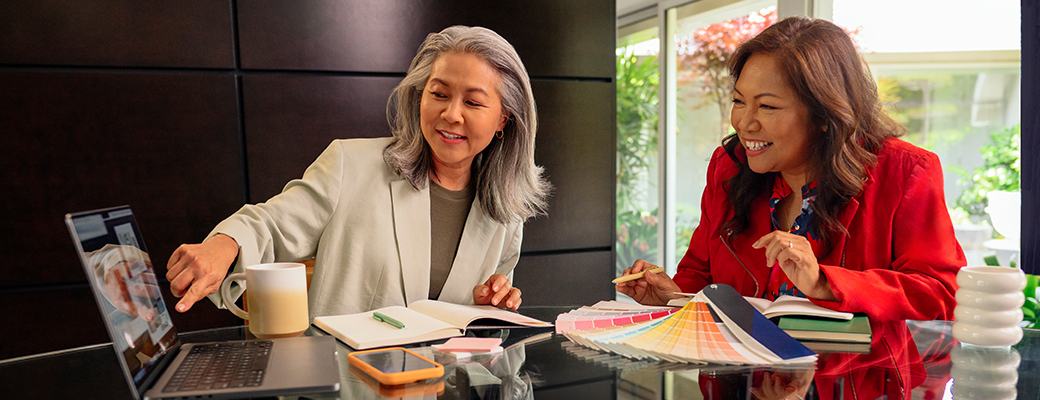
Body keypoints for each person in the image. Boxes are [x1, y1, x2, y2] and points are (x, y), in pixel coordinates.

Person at [165, 25, 551, 317]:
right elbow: (269, 224)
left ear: (504, 119)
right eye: (438, 94)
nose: (451, 114)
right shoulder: (351, 164)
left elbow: (479, 324)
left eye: (473, 101)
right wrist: (222, 244)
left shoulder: (505, 210)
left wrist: (496, 299)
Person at [616, 17, 964, 325]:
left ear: (825, 115)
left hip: (856, 382)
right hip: (740, 378)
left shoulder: (904, 171)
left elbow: (942, 292)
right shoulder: (728, 166)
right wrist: (672, 295)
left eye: (766, 106)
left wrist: (823, 282)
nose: (744, 123)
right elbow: (700, 274)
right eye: (739, 101)